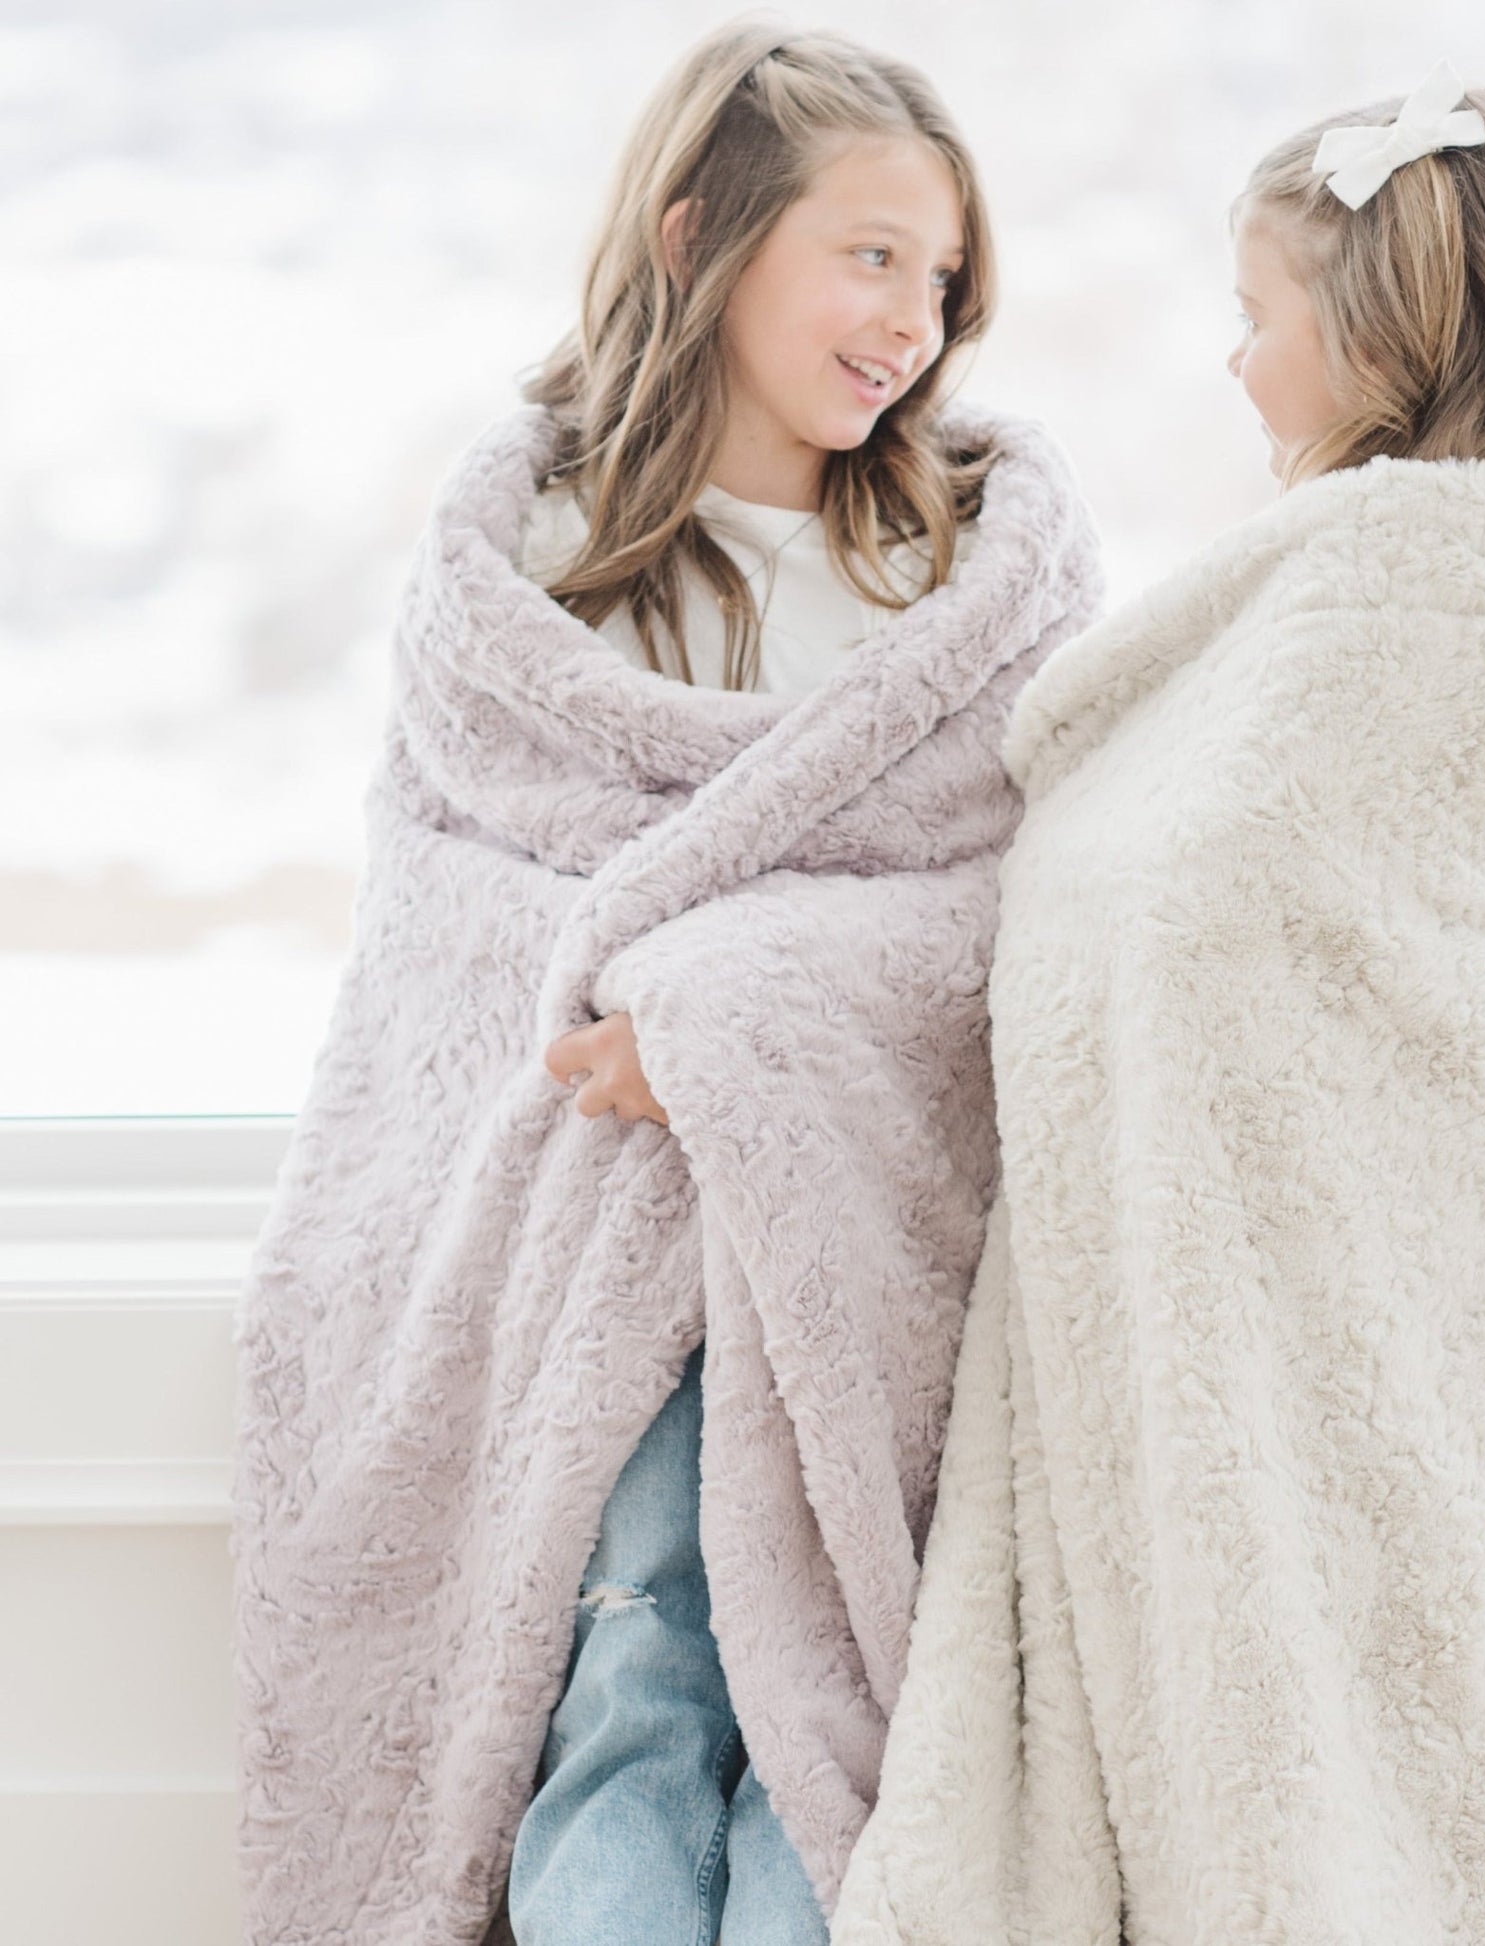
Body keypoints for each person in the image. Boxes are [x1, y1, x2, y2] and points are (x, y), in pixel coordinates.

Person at [228, 23, 1101, 1946]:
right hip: (602, 1251)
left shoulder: (967, 577)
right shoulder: (530, 578)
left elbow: (1021, 911)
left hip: (874, 1260)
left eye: (942, 279)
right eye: (868, 255)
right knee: (638, 1692)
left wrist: (731, 1008)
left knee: (843, 1755)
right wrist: (640, 1026)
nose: (912, 320)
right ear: (705, 233)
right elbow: (460, 929)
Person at [833, 63, 1485, 1945]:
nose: (1235, 369)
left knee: (1408, 1735)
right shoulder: (1311, 591)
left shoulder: (1435, 594)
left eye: (1259, 320)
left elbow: (1269, 912)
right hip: (1226, 1273)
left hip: (1424, 1272)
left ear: (1377, 330)